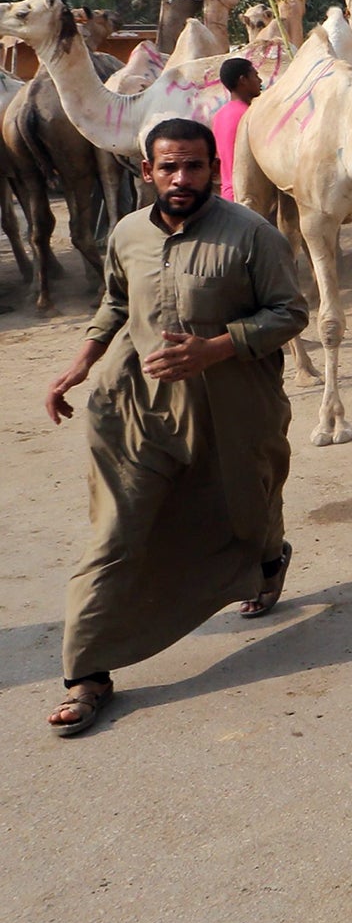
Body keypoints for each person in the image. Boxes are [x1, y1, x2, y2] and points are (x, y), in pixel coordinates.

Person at [43, 117, 308, 737]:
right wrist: (81, 360)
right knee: (114, 532)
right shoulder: (128, 233)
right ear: (148, 171)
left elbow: (289, 312)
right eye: (169, 167)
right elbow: (115, 299)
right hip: (136, 407)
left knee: (249, 505)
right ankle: (87, 674)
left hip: (234, 407)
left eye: (194, 166)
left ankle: (269, 561)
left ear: (213, 169)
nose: (181, 178)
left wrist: (215, 349)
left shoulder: (252, 236)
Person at [210, 54, 262, 201]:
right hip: (248, 196)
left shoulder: (219, 115)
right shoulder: (248, 115)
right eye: (255, 75)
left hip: (228, 195)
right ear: (243, 80)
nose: (260, 80)